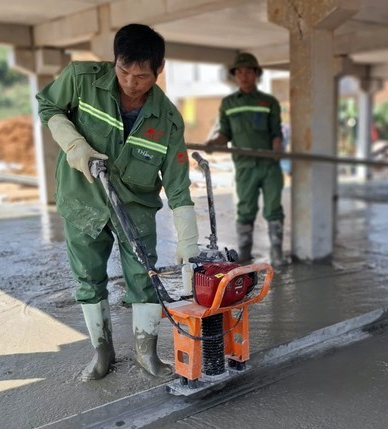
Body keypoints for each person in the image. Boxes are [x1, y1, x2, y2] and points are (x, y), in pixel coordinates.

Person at [36, 23, 200, 381]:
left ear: (159, 70)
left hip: (136, 206)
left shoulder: (168, 120)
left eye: (141, 76)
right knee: (89, 278)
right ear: (115, 62)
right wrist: (75, 146)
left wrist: (189, 244)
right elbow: (48, 105)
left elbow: (178, 186)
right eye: (123, 71)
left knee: (145, 278)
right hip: (84, 198)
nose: (131, 82)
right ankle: (102, 353)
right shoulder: (81, 78)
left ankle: (146, 353)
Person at [204, 52, 284, 266]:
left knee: (274, 209)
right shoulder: (229, 104)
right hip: (245, 166)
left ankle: (277, 254)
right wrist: (214, 143)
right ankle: (245, 255)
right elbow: (225, 134)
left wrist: (277, 149)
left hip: (269, 166)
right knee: (246, 210)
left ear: (256, 73)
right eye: (239, 72)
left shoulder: (268, 102)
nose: (243, 75)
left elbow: (276, 133)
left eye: (248, 71)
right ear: (235, 75)